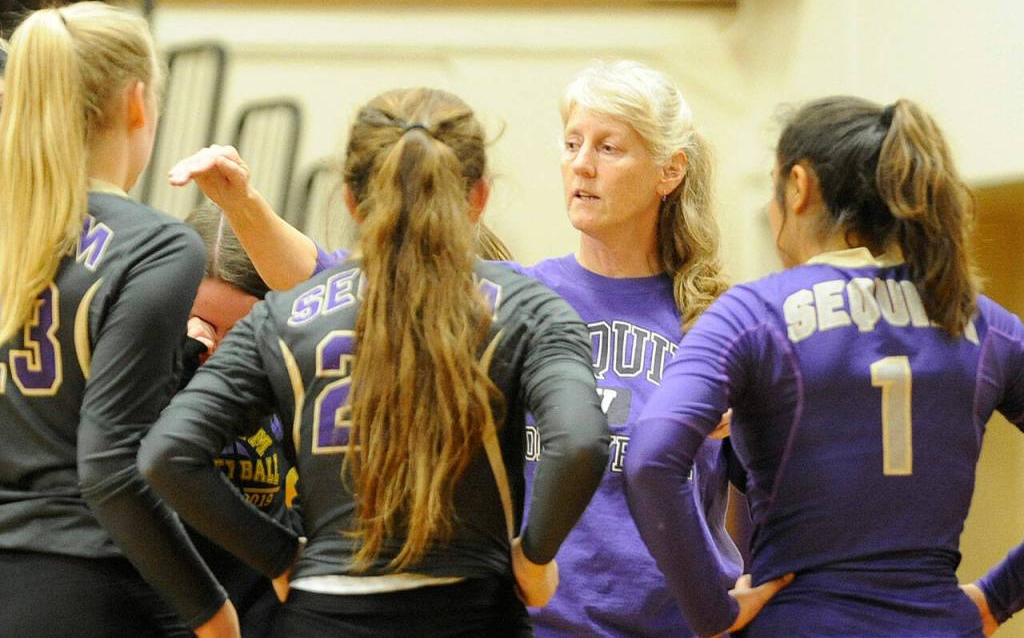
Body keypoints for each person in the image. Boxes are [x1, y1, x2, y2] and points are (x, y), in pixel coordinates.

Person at [171, 60, 749, 638]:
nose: (581, 163)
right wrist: (242, 205)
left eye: (608, 147)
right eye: (572, 143)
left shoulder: (720, 321)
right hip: (534, 618)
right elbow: (320, 280)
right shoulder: (521, 296)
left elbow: (776, 484)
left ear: (670, 171)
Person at [139, 87, 610, 637]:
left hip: (323, 613)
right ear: (479, 197)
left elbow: (167, 454)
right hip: (473, 612)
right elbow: (580, 441)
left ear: (349, 200)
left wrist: (283, 558)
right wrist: (534, 555)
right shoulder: (530, 308)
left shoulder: (285, 316)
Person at [624, 95, 1024, 637]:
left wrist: (711, 613)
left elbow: (651, 458)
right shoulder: (978, 320)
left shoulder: (752, 314)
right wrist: (997, 597)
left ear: (798, 185)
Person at [0, 3, 237, 638]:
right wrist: (211, 612)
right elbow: (108, 466)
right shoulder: (155, 244)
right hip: (82, 585)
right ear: (138, 102)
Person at [182, 203, 301, 638]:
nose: (221, 351)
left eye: (242, 332)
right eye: (205, 327)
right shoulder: (140, 370)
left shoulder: (291, 372)